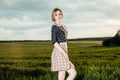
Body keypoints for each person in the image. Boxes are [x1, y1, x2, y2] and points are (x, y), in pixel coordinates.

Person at [51, 8, 77, 80]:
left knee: (63, 74)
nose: (58, 16)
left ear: (62, 15)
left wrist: (66, 51)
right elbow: (54, 41)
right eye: (56, 15)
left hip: (64, 49)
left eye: (59, 14)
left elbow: (65, 41)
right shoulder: (54, 27)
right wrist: (64, 52)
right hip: (59, 51)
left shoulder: (64, 27)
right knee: (72, 73)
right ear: (53, 17)